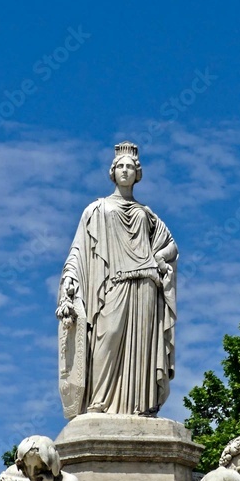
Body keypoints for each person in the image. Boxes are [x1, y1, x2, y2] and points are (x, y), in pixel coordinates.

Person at [56, 141, 177, 418]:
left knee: (141, 350)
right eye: (120, 166)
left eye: (130, 167)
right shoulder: (96, 210)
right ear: (113, 172)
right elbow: (78, 251)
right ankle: (99, 400)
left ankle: (141, 405)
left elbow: (171, 246)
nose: (125, 171)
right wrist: (70, 280)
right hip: (113, 285)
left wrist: (158, 258)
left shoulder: (146, 214)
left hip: (145, 285)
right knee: (106, 336)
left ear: (138, 173)